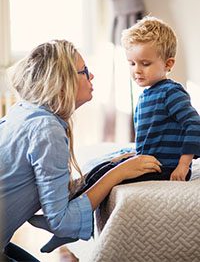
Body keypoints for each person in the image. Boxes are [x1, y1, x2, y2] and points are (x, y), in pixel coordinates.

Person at [0, 39, 162, 261]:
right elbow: (62, 221)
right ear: (62, 83)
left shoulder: (24, 111)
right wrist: (120, 173)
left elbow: (53, 188)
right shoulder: (46, 129)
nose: (92, 76)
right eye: (84, 71)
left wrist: (106, 167)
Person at [121, 16, 200, 182]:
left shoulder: (171, 93)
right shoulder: (144, 98)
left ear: (168, 64)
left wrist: (183, 166)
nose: (137, 70)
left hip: (166, 169)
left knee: (111, 175)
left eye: (145, 63)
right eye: (132, 63)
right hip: (148, 165)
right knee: (106, 167)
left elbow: (194, 125)